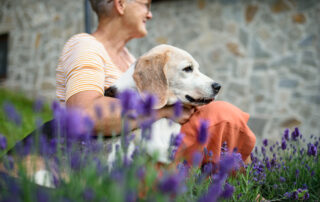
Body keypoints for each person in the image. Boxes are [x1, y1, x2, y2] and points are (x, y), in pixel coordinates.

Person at [56, 0, 256, 166]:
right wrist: (164, 111)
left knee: (220, 117)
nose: (150, 14)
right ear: (121, 4)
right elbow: (82, 114)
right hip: (116, 160)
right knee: (223, 117)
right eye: (146, 5)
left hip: (150, 148)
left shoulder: (130, 59)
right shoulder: (85, 46)